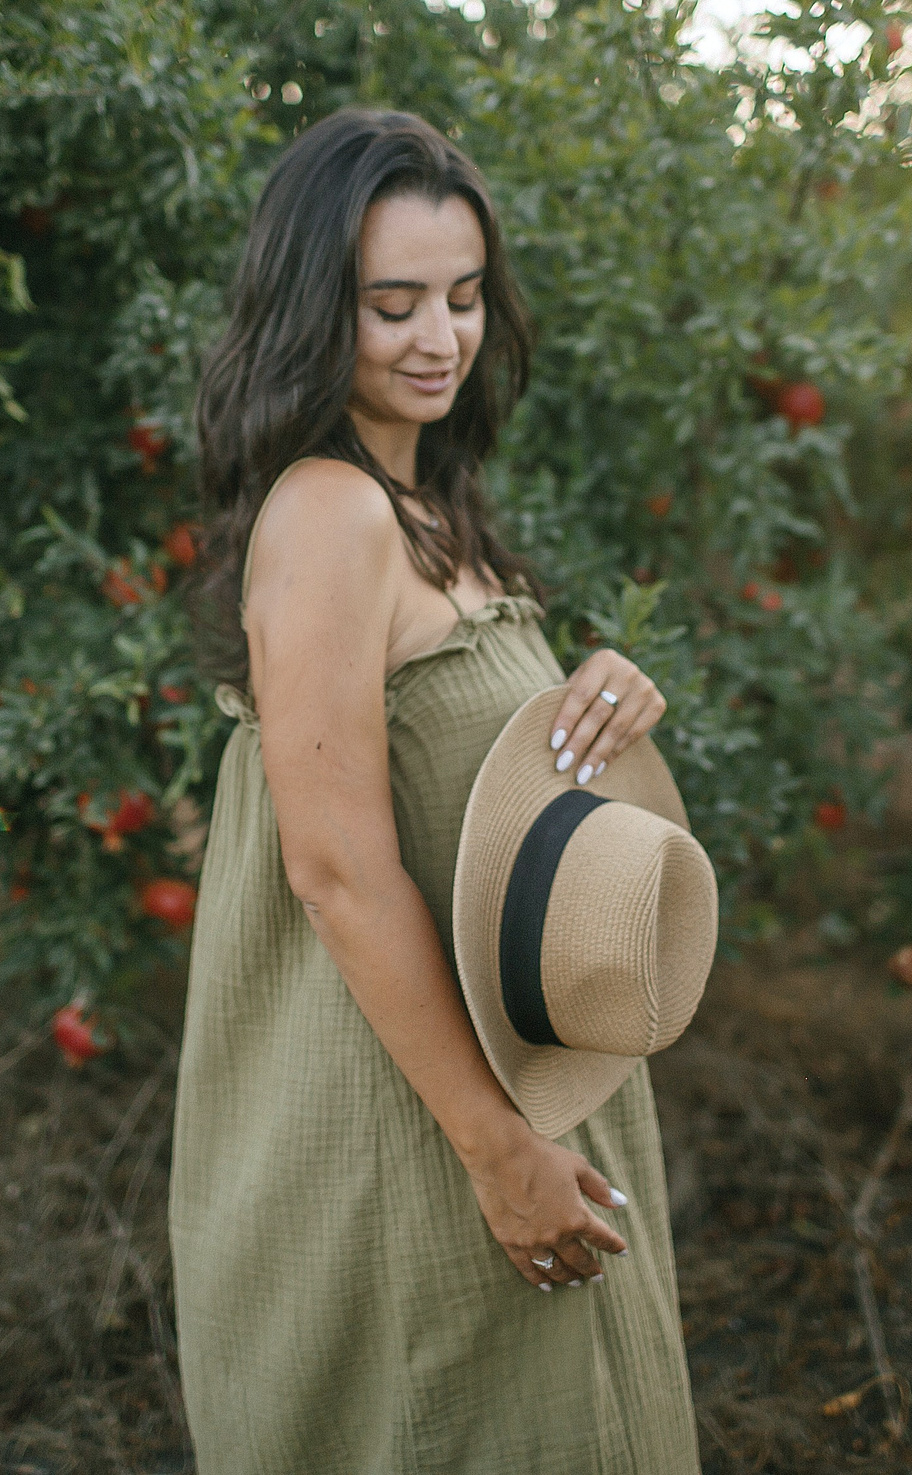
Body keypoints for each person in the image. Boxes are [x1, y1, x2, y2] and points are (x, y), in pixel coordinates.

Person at [171, 107, 701, 1472]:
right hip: (405, 1108)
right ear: (311, 310)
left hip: (502, 1076)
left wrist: (600, 699)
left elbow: (481, 799)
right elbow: (334, 868)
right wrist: (497, 1151)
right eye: (392, 303)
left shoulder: (431, 512)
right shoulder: (330, 514)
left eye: (463, 299)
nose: (439, 339)